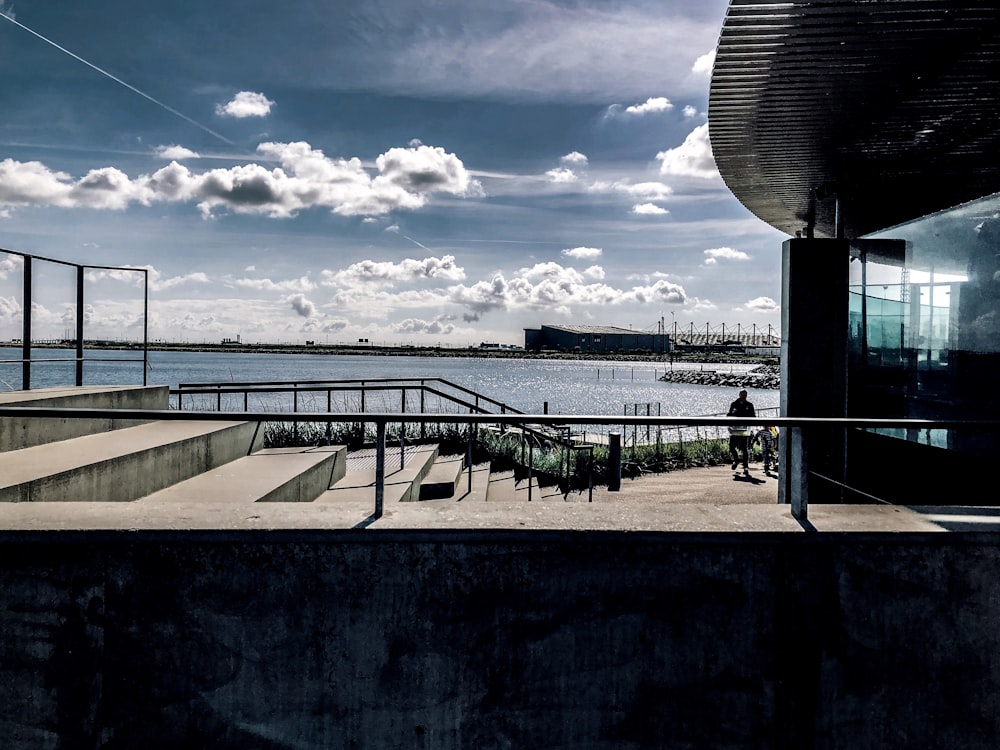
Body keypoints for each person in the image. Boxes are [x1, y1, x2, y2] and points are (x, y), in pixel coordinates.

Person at [727, 389, 755, 472]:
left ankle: (746, 466)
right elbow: (730, 414)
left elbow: (753, 416)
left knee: (744, 449)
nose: (743, 396)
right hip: (735, 429)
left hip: (744, 429)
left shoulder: (749, 405)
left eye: (745, 395)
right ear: (739, 395)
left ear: (746, 396)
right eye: (742, 395)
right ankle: (736, 461)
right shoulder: (734, 404)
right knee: (731, 447)